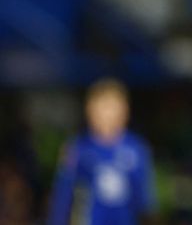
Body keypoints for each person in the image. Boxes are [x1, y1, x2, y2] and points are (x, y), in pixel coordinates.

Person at [48, 78, 155, 225]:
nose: (108, 115)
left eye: (113, 107)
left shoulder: (136, 149)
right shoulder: (79, 148)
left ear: (125, 111)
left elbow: (145, 201)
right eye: (102, 108)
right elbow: (63, 197)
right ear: (90, 110)